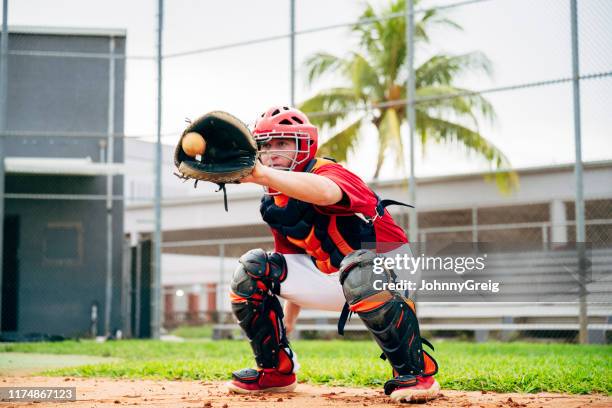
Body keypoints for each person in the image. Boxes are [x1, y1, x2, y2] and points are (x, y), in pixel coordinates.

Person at [226, 106, 439, 402]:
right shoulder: (274, 201)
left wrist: (260, 173)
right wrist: (286, 324)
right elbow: (291, 260)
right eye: (265, 145)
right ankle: (276, 371)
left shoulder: (329, 172)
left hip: (389, 268)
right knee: (253, 267)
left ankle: (417, 373)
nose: (272, 152)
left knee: (358, 267)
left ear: (305, 145)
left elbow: (325, 193)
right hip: (335, 276)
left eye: (282, 143)